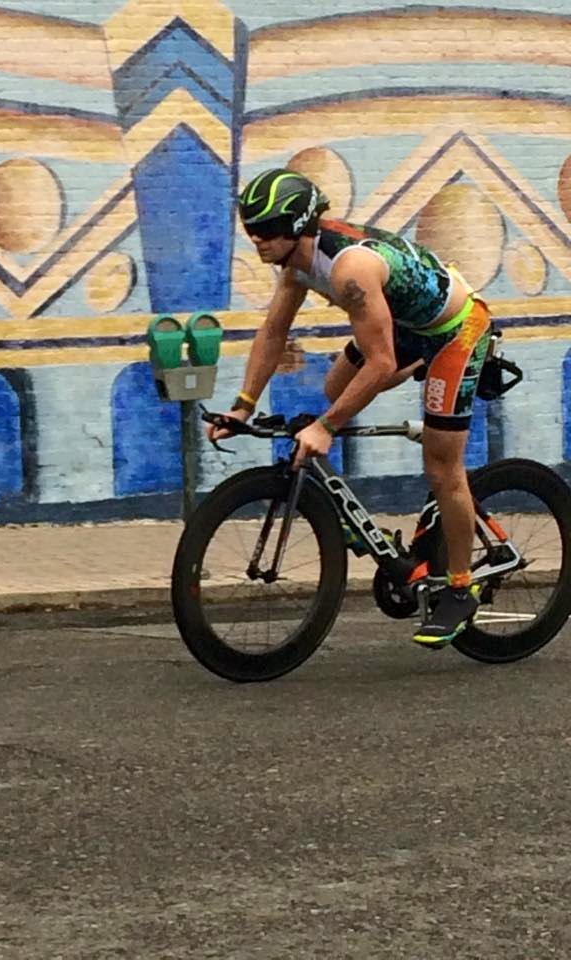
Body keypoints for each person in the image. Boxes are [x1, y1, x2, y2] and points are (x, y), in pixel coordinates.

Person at [208, 167, 492, 649]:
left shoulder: (349, 271)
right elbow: (273, 332)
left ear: (299, 225)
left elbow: (379, 363)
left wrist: (325, 427)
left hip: (454, 332)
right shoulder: (297, 265)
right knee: (336, 386)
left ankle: (461, 590)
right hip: (402, 324)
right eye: (250, 228)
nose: (257, 239)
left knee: (442, 467)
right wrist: (242, 406)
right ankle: (415, 400)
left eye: (267, 229)